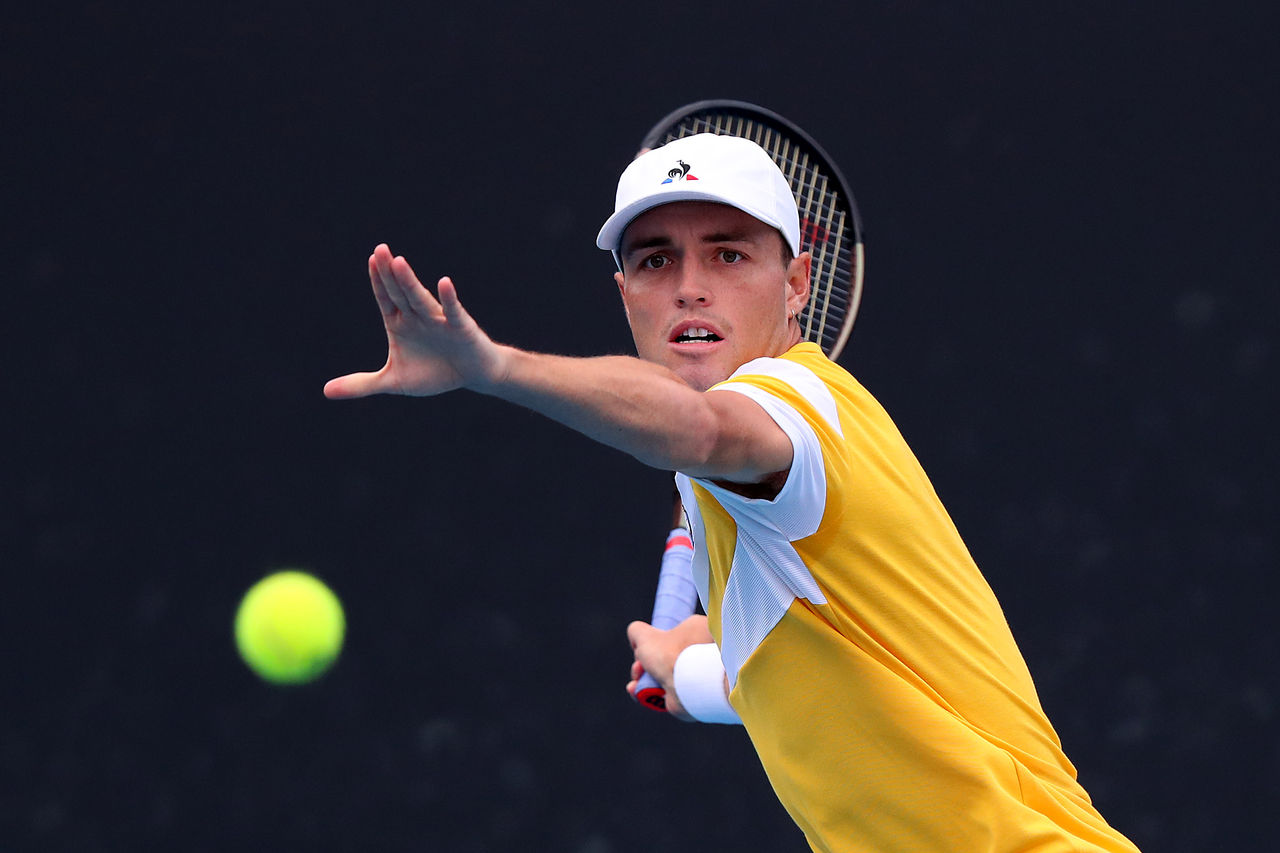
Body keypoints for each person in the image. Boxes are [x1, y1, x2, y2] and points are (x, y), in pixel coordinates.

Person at [326, 133, 1140, 852]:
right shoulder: (749, 505)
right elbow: (834, 692)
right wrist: (702, 679)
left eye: (728, 254)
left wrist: (495, 368)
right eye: (656, 260)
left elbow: (704, 430)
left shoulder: (798, 405)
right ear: (625, 297)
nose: (689, 287)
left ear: (797, 284)